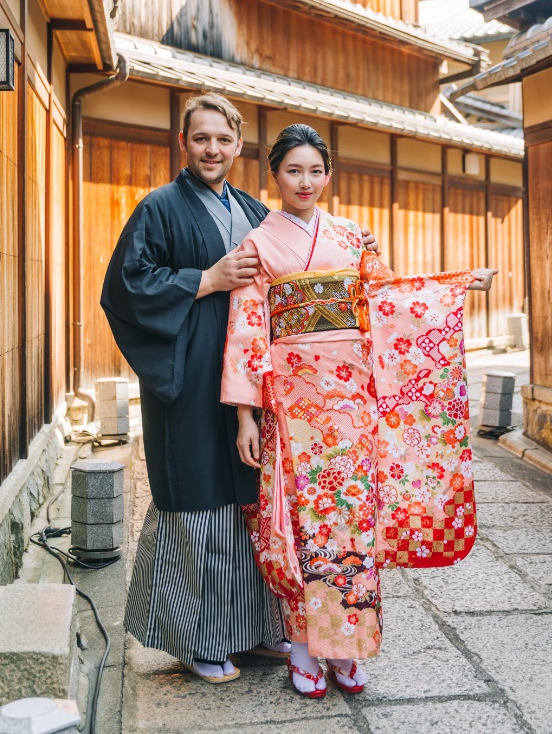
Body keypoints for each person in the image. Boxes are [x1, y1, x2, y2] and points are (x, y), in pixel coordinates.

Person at [101, 94, 381, 684]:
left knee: (253, 511)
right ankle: (199, 640)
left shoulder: (255, 211)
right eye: (202, 139)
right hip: (188, 378)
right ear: (184, 143)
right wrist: (205, 278)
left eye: (224, 140)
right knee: (199, 508)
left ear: (239, 147)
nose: (212, 150)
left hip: (255, 386)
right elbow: (126, 287)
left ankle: (251, 630)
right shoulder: (159, 208)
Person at [220, 123, 497, 697]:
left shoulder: (352, 238)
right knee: (300, 524)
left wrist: (460, 283)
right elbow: (247, 328)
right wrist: (246, 416)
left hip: (352, 405)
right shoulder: (258, 245)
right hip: (292, 406)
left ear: (328, 174)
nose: (306, 181)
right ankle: (302, 644)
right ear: (274, 175)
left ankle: (346, 647)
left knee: (351, 520)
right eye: (294, 170)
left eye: (316, 171)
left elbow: (390, 300)